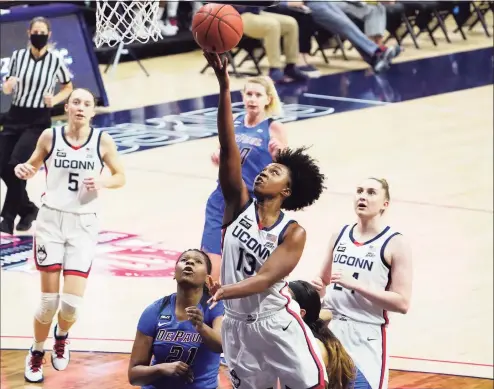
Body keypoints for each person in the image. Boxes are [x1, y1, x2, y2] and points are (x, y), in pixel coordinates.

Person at [203, 51, 327, 389]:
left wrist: (225, 290)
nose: (262, 174)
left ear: (286, 190)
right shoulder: (237, 205)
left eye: (272, 172)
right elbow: (229, 147)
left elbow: (265, 278)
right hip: (235, 325)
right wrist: (224, 85)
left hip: (276, 322)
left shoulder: (293, 232)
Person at [14, 88, 126, 383]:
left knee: (71, 305)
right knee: (48, 302)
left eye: (87, 103)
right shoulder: (50, 137)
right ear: (67, 106)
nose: (80, 107)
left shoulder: (102, 141)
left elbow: (120, 176)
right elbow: (33, 164)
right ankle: (37, 351)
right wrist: (25, 169)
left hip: (84, 224)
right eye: (76, 101)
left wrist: (102, 181)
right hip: (51, 221)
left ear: (92, 111)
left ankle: (61, 335)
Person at [312, 178, 413, 389]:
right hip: (332, 329)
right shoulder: (339, 235)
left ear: (385, 203)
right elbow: (323, 281)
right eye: (359, 191)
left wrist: (356, 285)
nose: (363, 196)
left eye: (371, 192)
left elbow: (402, 303)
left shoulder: (395, 243)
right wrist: (316, 289)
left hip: (367, 333)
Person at [201, 75, 287, 283]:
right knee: (211, 259)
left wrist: (279, 154)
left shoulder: (273, 127)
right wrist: (218, 155)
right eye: (249, 94)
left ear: (268, 99)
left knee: (241, 263)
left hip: (250, 203)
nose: (252, 99)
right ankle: (210, 305)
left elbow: (285, 168)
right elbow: (223, 151)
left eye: (258, 95)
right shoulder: (235, 121)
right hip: (221, 196)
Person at [0, 16, 73, 234]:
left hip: (37, 121)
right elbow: (6, 88)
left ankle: (7, 218)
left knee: (17, 164)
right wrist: (8, 85)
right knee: (3, 165)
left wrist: (56, 100)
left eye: (42, 33)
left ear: (49, 35)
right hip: (15, 115)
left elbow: (68, 86)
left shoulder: (55, 60)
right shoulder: (17, 56)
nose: (38, 36)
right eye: (35, 32)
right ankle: (28, 209)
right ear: (28, 33)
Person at [128, 249, 224, 389]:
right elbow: (134, 376)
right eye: (184, 260)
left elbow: (221, 346)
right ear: (174, 273)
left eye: (198, 261)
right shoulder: (155, 311)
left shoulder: (214, 306)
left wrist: (201, 326)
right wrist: (161, 369)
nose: (190, 262)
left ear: (207, 278)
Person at [289, 280, 373, 389]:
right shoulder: (309, 323)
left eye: (283, 301)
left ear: (301, 313)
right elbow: (327, 314)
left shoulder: (313, 347)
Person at [305, 1, 401, 73]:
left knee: (348, 24)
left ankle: (374, 58)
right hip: (308, 5)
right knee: (343, 24)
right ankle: (377, 51)